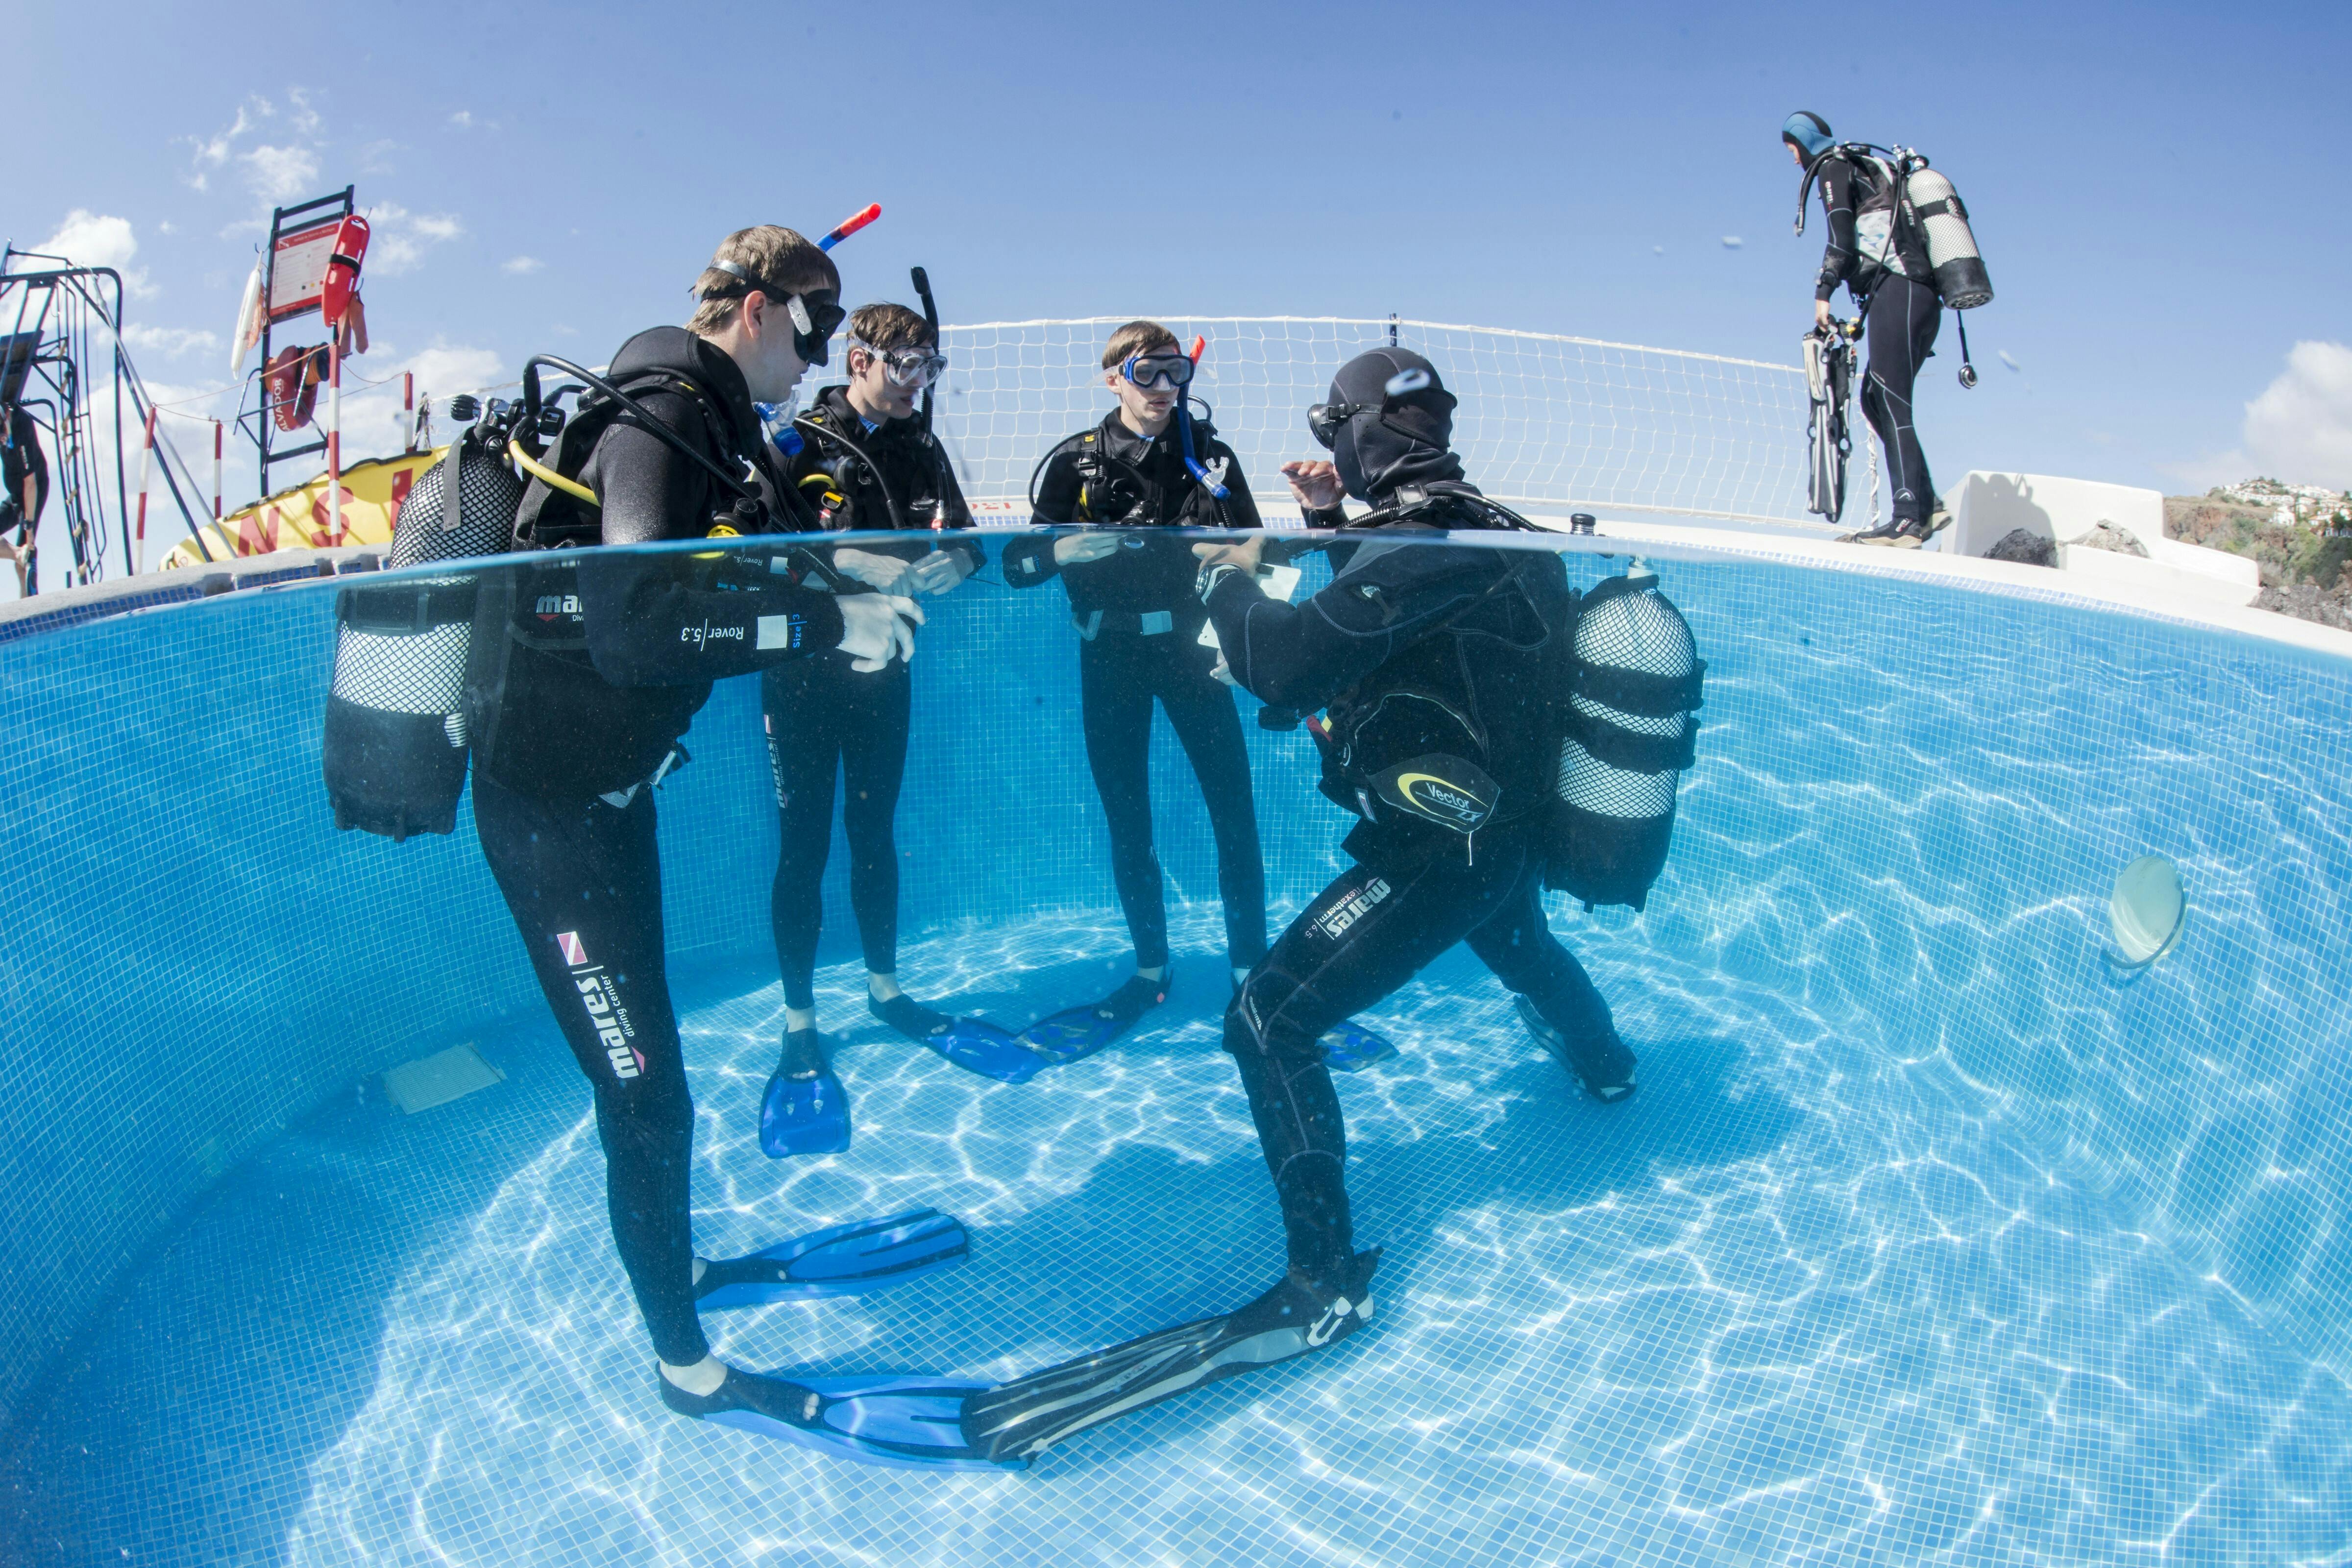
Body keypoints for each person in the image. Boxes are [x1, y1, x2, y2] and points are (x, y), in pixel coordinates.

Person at [958, 349, 1639, 1463]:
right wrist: (1324, 525)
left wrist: (1227, 570)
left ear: (1363, 434)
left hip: (1438, 850)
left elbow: (1283, 669)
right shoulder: (1499, 533)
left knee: (1268, 1020)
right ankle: (1608, 1066)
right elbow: (1408, 621)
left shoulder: (1425, 549)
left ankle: (1321, 1283)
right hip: (1508, 837)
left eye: (1336, 438)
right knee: (1518, 943)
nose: (1330, 457)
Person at [466, 223, 1008, 1468]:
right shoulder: (664, 402)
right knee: (646, 1097)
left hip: (608, 798)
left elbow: (729, 581)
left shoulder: (703, 422)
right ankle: (688, 1371)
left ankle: (682, 1265)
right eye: (814, 329)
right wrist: (826, 624)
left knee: (659, 1090)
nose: (817, 355)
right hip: (547, 814)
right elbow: (632, 634)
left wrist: (844, 596)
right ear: (756, 305)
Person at [761, 302, 1023, 1152]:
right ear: (859, 358)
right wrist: (839, 563)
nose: (917, 384)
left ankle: (885, 990)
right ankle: (801, 1018)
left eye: (929, 369)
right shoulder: (797, 439)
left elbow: (971, 537)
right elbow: (744, 546)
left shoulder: (920, 444)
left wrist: (961, 557)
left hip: (891, 672)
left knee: (874, 832)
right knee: (804, 841)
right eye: (904, 366)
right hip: (801, 677)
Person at [999, 321, 1269, 1060]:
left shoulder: (1208, 455)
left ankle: (1252, 970)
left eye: (1175, 373)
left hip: (1191, 650)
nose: (1164, 390)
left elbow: (1254, 543)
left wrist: (1231, 635)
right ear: (1112, 377)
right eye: (1147, 374)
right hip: (1110, 654)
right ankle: (1152, 968)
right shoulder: (1075, 465)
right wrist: (1062, 548)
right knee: (1129, 818)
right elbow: (1015, 566)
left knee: (1233, 812)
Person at [1783, 110, 1950, 548]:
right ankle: (1926, 505)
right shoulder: (1867, 167)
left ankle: (1906, 521)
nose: (1794, 160)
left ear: (1803, 141)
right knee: (1875, 397)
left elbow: (1840, 238)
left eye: (1793, 149)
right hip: (1913, 296)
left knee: (1890, 398)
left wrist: (1824, 292)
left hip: (1902, 288)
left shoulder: (1833, 167)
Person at [0, 399, 47, 595]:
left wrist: (30, 534)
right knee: (22, 557)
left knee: (24, 564)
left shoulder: (22, 425)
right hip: (16, 496)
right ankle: (19, 554)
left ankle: (29, 610)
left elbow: (31, 483)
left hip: (35, 490)